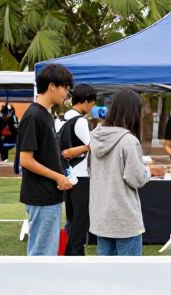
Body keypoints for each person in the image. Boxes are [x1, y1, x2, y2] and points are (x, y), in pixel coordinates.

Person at [89, 89, 163, 255]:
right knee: (130, 275)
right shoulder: (128, 141)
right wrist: (151, 171)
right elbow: (135, 178)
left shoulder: (95, 137)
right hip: (124, 218)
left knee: (106, 274)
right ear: (133, 113)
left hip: (101, 216)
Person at [18, 63, 74, 255]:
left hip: (50, 195)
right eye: (64, 88)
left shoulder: (46, 116)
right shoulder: (33, 116)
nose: (66, 93)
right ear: (52, 86)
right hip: (40, 196)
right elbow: (25, 160)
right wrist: (57, 177)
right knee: (41, 254)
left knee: (48, 251)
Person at [59, 83, 96, 255]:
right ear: (86, 101)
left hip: (67, 175)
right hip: (81, 176)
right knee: (81, 219)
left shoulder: (61, 119)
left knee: (72, 218)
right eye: (92, 103)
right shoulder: (80, 121)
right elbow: (92, 145)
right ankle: (76, 254)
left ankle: (69, 252)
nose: (92, 107)